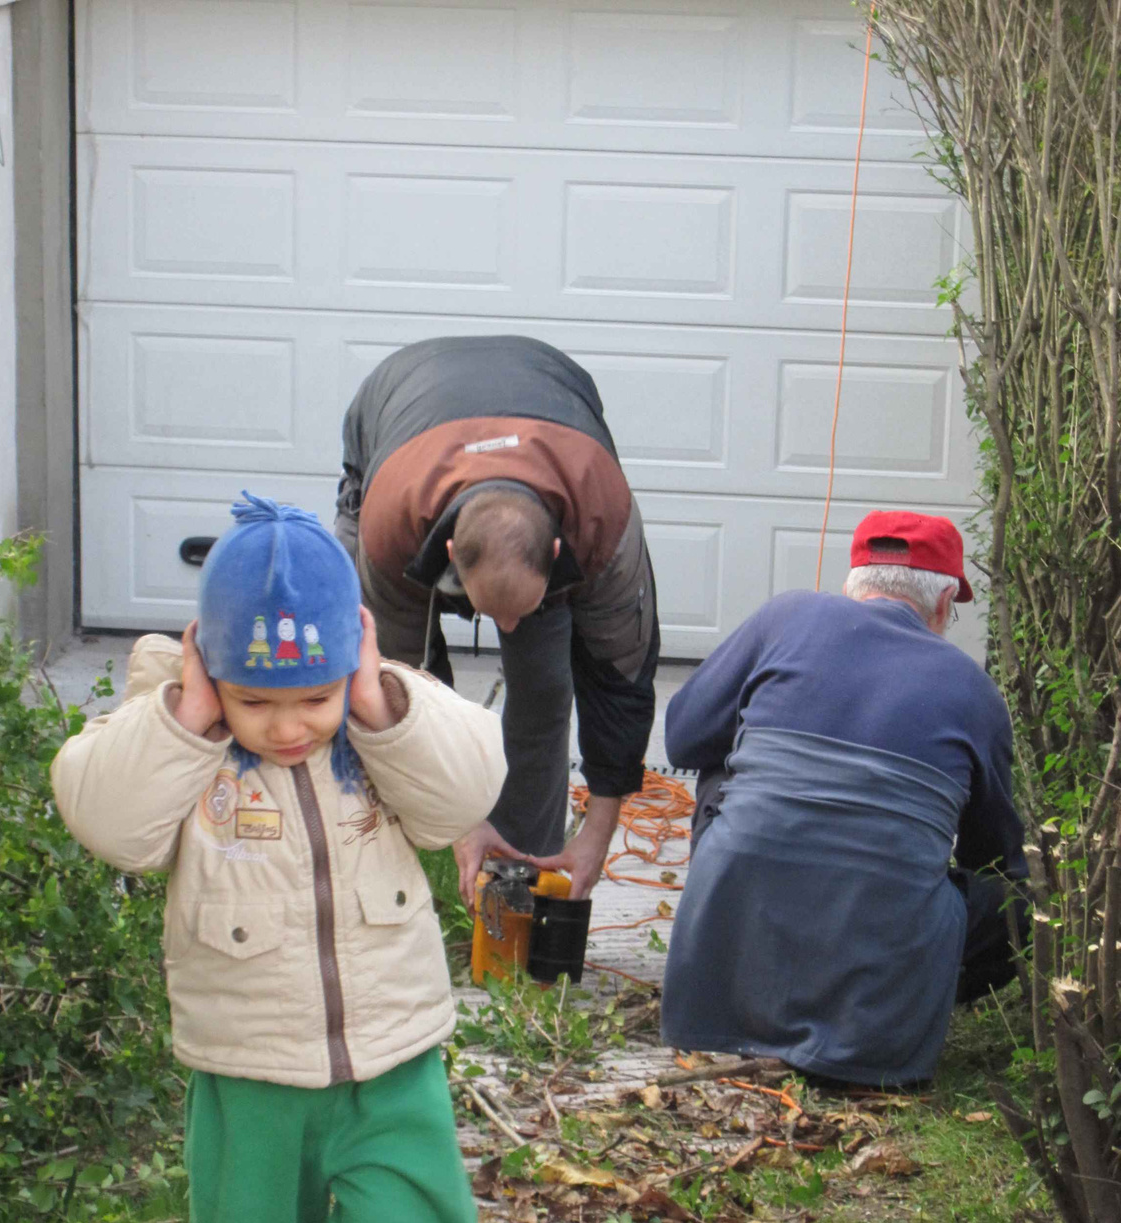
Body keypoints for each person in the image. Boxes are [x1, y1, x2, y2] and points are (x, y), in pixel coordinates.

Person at [51, 494, 506, 1223]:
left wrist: (383, 704)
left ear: (357, 655)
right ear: (208, 667)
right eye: (258, 703)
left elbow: (464, 796)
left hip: (389, 1051)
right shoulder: (180, 738)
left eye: (314, 698)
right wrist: (187, 719)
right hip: (246, 1051)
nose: (290, 726)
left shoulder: (386, 723)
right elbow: (110, 823)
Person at [660, 510, 1026, 1088]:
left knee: (721, 763)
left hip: (733, 946)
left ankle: (737, 980)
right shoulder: (976, 692)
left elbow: (683, 736)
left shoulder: (788, 616)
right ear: (942, 604)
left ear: (854, 583)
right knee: (1017, 905)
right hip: (882, 1014)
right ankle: (874, 1015)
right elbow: (995, 856)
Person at [334, 334, 660, 904]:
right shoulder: (390, 527)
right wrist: (458, 820)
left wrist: (596, 837)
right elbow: (392, 686)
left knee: (543, 685)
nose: (507, 631)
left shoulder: (600, 519)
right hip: (397, 421)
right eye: (492, 613)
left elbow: (621, 681)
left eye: (522, 612)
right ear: (453, 556)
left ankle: (522, 877)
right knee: (353, 680)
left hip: (555, 415)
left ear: (557, 554)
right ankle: (391, 876)